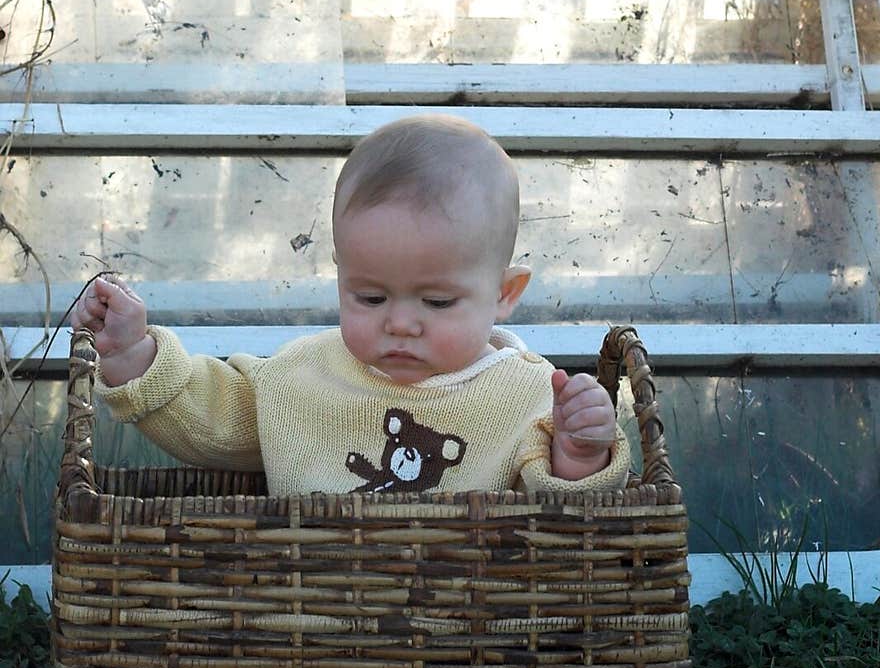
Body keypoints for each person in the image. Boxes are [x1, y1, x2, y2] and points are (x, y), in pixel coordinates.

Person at [70, 114, 631, 496]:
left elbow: (568, 517)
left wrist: (581, 454)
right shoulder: (302, 374)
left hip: (470, 635)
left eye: (437, 301)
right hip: (313, 624)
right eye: (369, 296)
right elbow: (212, 420)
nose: (400, 322)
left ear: (505, 294)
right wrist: (134, 356)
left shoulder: (530, 397)